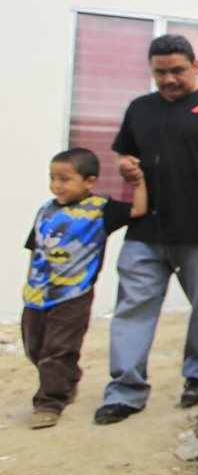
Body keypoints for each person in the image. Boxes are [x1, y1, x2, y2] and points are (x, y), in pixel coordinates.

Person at [93, 34, 198, 424]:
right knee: (133, 308)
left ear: (196, 65)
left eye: (177, 70)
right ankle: (126, 391)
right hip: (145, 231)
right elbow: (124, 155)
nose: (169, 79)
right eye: (160, 72)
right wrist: (125, 167)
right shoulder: (139, 108)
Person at [21, 148, 148, 429]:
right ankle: (67, 377)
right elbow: (35, 247)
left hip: (73, 295)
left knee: (57, 349)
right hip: (37, 295)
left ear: (89, 181)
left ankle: (49, 402)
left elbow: (138, 209)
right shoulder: (46, 209)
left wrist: (138, 183)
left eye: (64, 179)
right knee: (36, 348)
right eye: (52, 178)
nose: (56, 185)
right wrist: (30, 281)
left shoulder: (102, 210)